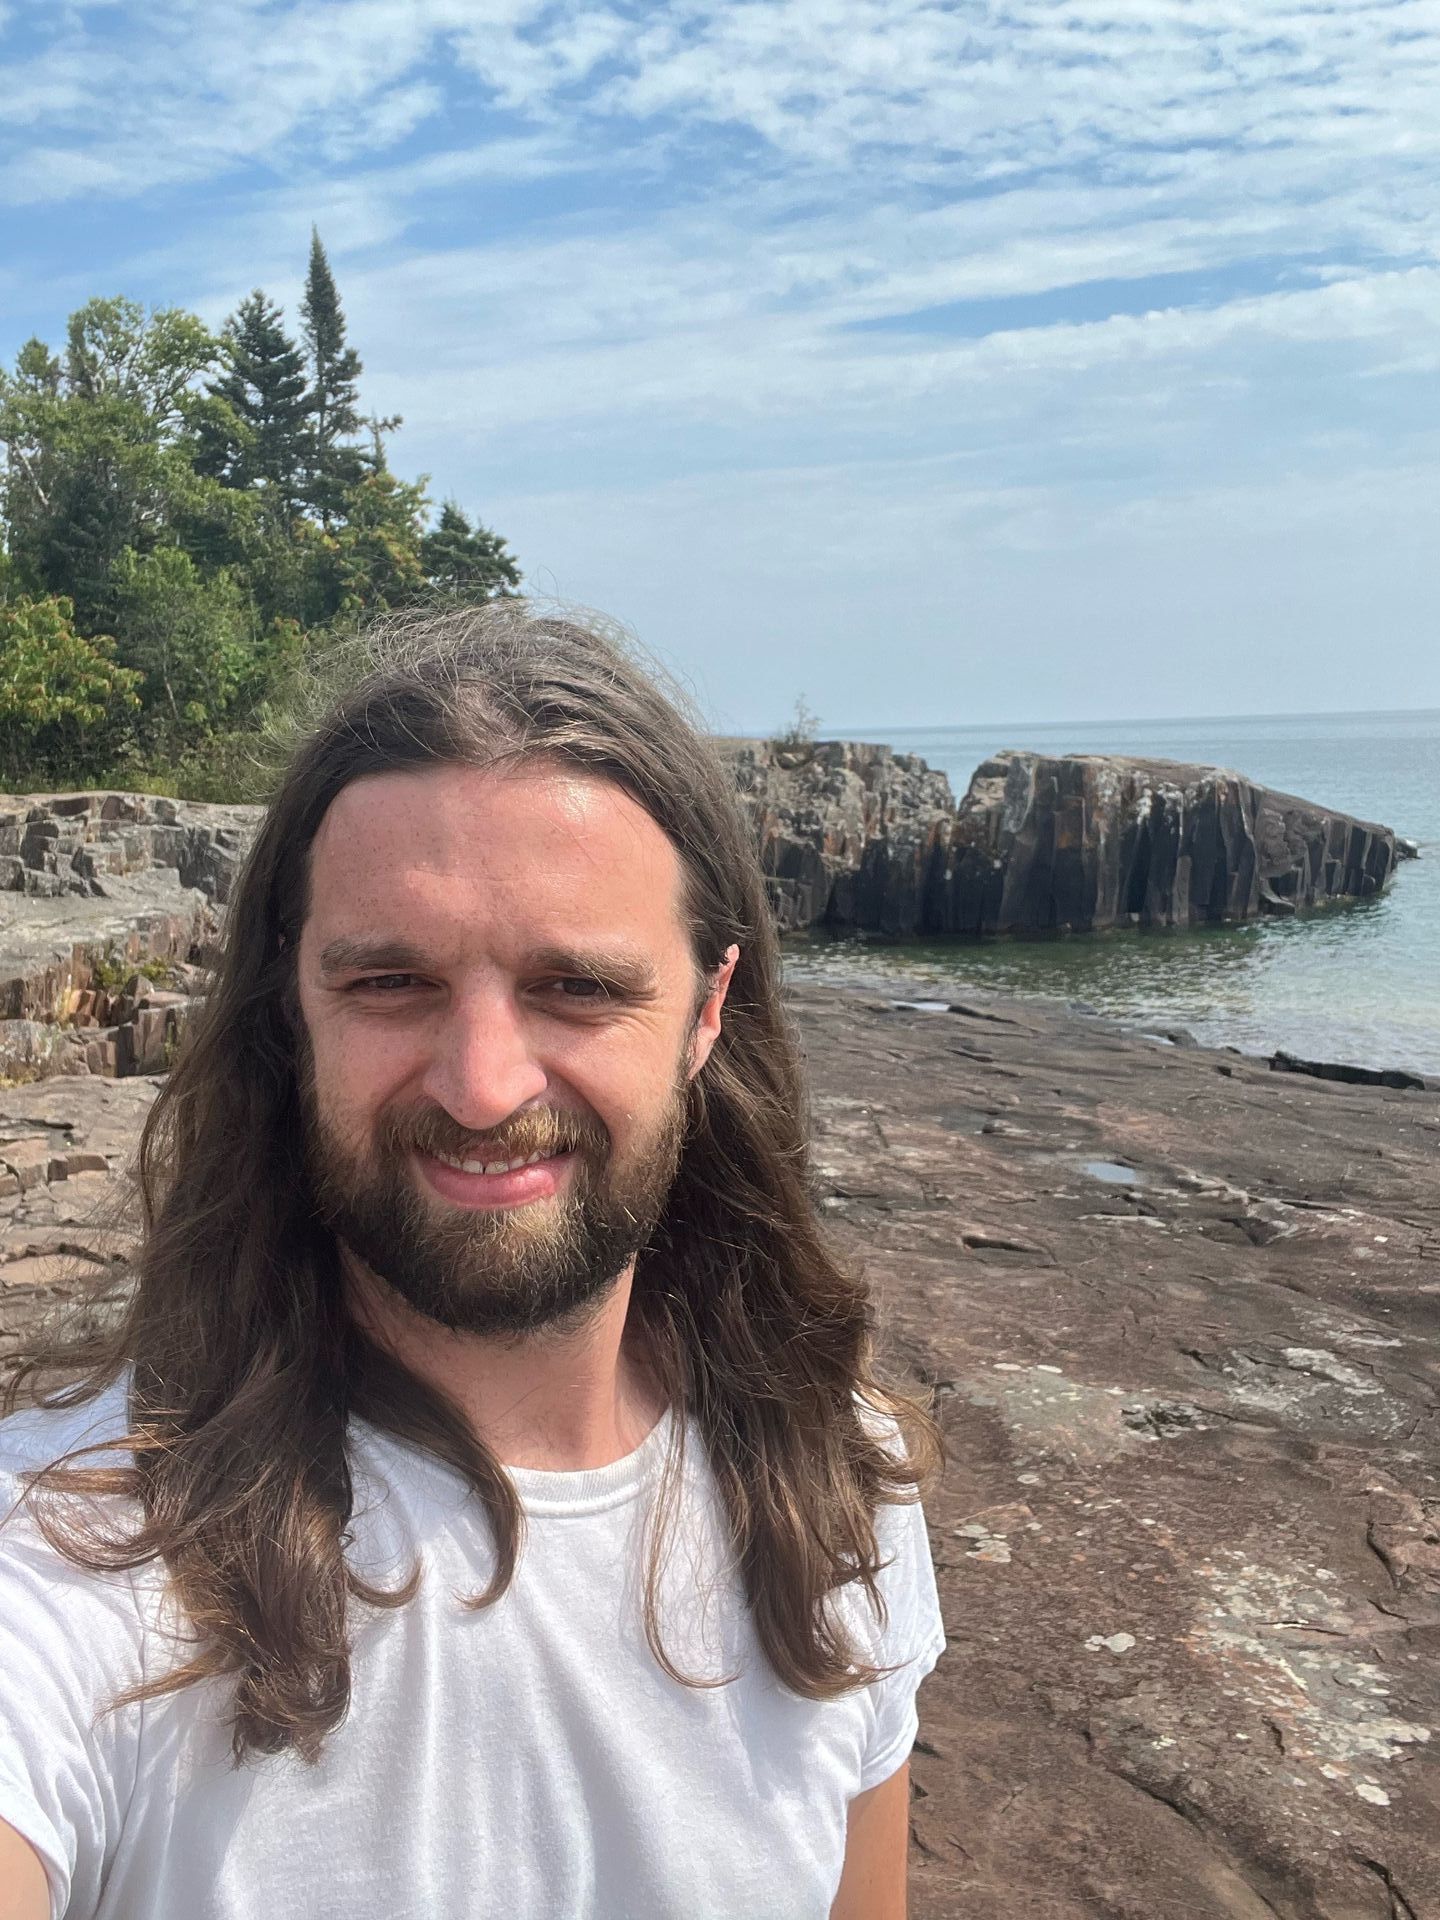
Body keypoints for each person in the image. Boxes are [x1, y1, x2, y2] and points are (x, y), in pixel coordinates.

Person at [0, 604, 944, 1920]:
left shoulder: (834, 1487)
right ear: (294, 1008)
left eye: (578, 988)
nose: (485, 1087)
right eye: (392, 983)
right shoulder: (74, 1549)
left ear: (706, 1013)